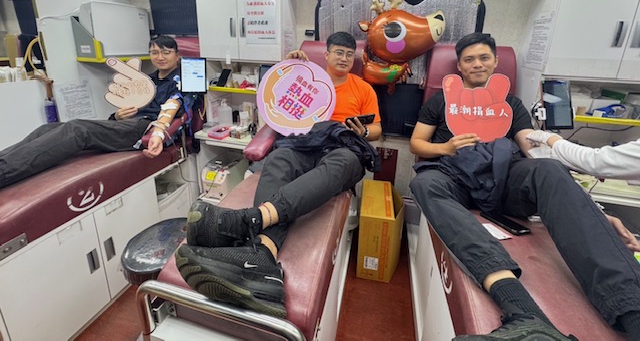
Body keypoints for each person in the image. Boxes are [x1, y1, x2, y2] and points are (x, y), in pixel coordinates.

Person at [409, 33, 640, 340]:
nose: (477, 64)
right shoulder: (441, 101)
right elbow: (417, 144)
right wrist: (446, 148)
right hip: (454, 175)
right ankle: (521, 309)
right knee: (424, 183)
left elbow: (532, 149)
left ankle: (632, 309)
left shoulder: (512, 105)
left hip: (503, 179)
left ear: (495, 62)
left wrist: (592, 209)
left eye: (484, 58)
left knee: (548, 169)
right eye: (469, 60)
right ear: (460, 67)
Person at [176, 31, 382, 318]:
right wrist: (288, 68)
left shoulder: (364, 89)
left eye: (350, 54)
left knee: (345, 162)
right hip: (305, 143)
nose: (345, 58)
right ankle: (263, 256)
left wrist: (363, 131)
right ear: (327, 54)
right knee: (278, 158)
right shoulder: (306, 77)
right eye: (339, 52)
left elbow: (377, 130)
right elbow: (279, 103)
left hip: (342, 147)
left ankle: (248, 220)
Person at [0, 35, 183, 189]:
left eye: (166, 52)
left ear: (177, 55)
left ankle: (4, 172)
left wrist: (158, 133)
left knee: (77, 130)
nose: (160, 57)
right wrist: (117, 116)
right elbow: (121, 112)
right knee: (46, 129)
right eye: (154, 52)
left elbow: (175, 105)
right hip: (127, 124)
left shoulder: (182, 81)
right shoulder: (145, 81)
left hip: (145, 127)